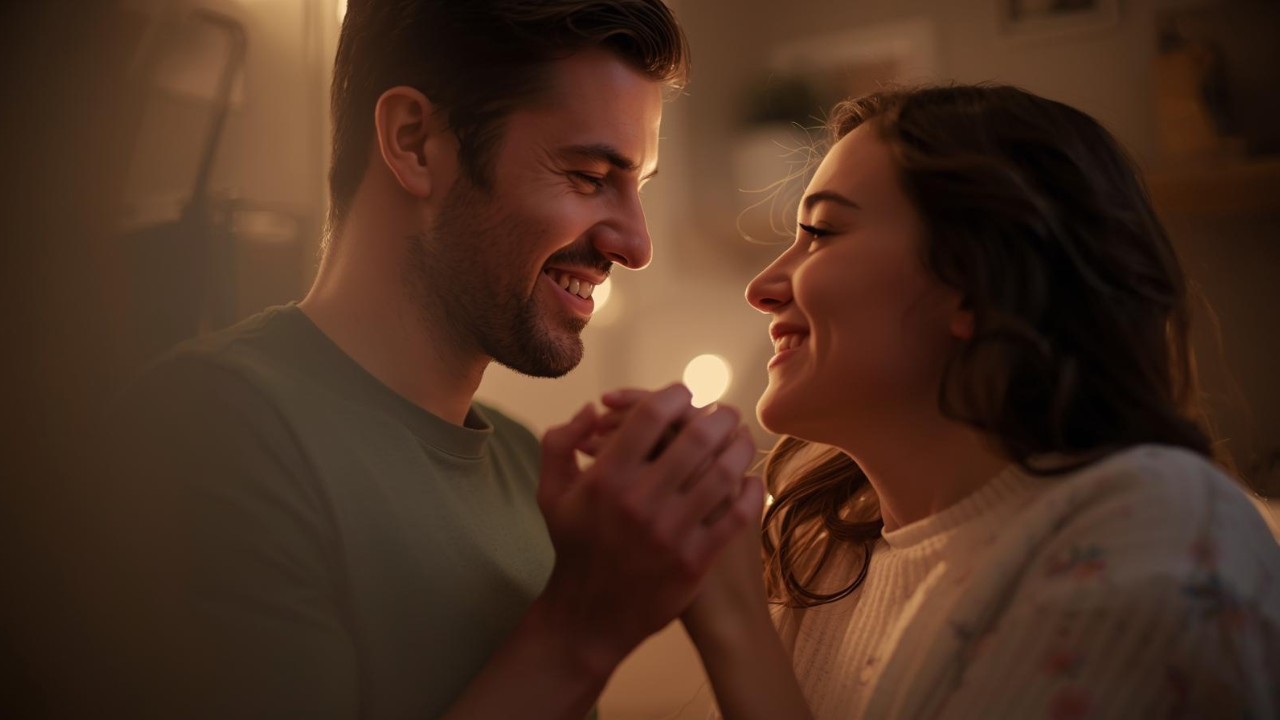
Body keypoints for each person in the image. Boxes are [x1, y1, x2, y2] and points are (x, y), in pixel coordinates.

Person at [106, 2, 761, 718]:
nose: (636, 245)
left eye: (640, 187)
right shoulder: (207, 429)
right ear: (415, 143)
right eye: (587, 175)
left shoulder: (532, 472)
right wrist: (581, 630)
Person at [629, 84, 1280, 718]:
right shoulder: (824, 551)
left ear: (976, 280)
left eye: (822, 232)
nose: (762, 287)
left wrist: (734, 621)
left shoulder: (1159, 532)